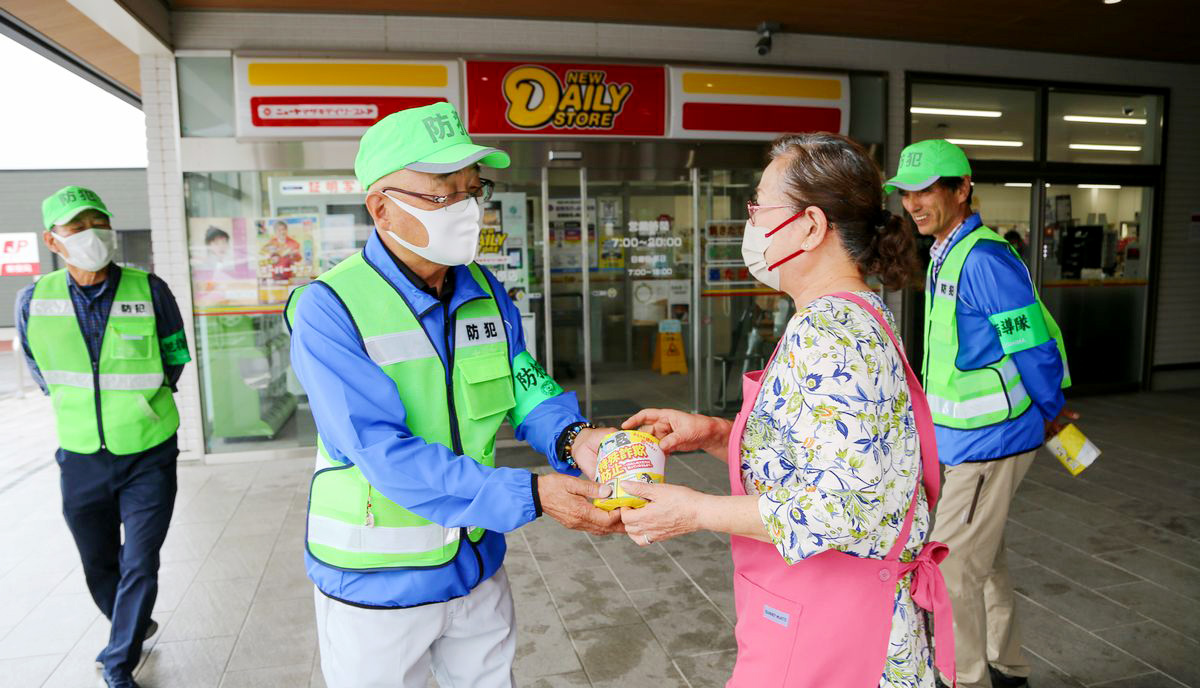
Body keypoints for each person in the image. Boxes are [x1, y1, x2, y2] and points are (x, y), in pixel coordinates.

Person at [285, 102, 623, 688]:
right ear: (381, 207)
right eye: (442, 193)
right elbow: (380, 450)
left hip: (476, 563)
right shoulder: (329, 308)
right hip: (378, 580)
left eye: (473, 189)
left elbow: (523, 384)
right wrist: (533, 495)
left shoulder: (484, 290)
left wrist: (575, 437)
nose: (467, 208)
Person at [617, 133, 956, 688]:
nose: (751, 223)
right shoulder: (853, 312)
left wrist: (694, 510)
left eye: (758, 207)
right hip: (853, 622)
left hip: (841, 637)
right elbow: (822, 450)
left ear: (811, 226)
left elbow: (840, 506)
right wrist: (715, 433)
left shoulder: (827, 333)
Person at [884, 139, 1073, 688]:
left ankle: (968, 679)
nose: (914, 203)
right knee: (983, 561)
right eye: (906, 193)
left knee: (951, 567)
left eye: (927, 190)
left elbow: (1031, 344)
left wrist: (1053, 411)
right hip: (962, 442)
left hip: (990, 443)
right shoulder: (947, 249)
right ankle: (1007, 666)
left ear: (962, 189)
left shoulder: (984, 259)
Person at [15, 186, 191, 688]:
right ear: (54, 239)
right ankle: (131, 622)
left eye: (98, 223)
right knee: (96, 561)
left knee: (140, 559)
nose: (92, 234)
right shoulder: (34, 299)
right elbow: (39, 367)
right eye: (77, 227)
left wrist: (140, 404)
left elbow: (174, 354)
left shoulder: (149, 289)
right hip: (80, 453)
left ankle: (119, 660)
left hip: (148, 449)